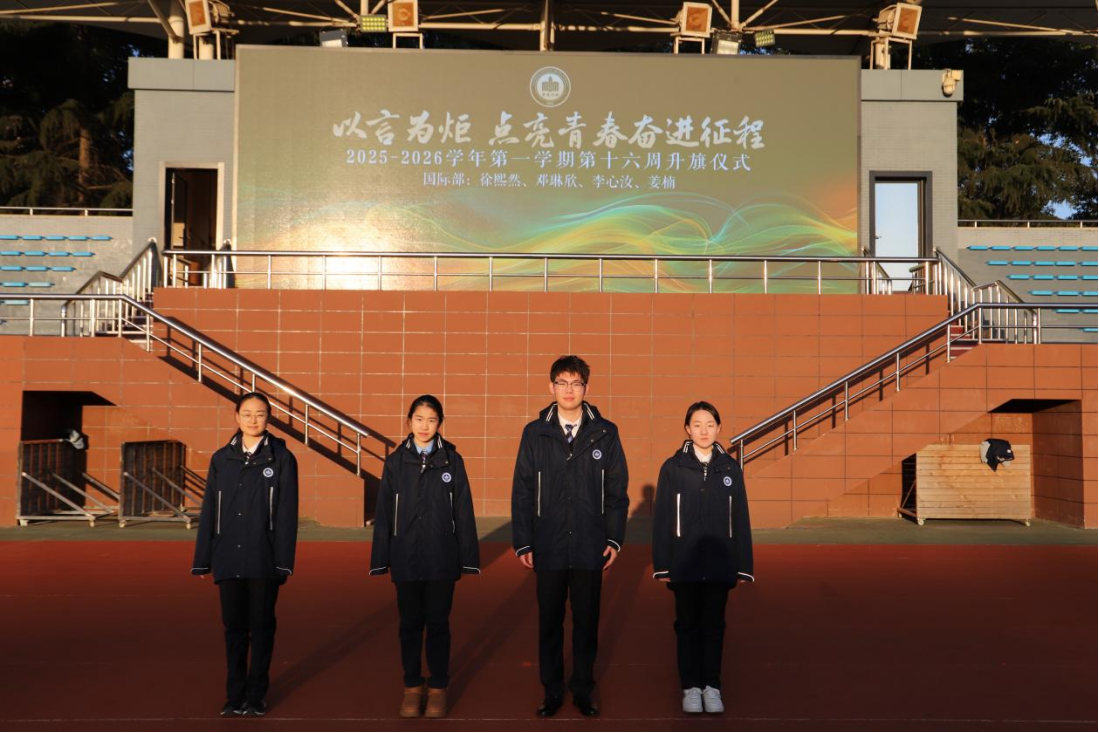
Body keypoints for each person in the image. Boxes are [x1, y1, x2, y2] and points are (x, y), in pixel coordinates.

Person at [511, 355, 629, 718]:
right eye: (562, 383)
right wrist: (524, 540)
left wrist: (613, 538)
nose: (569, 390)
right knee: (549, 620)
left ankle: (582, 689)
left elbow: (617, 490)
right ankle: (551, 690)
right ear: (551, 387)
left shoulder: (606, 432)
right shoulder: (535, 433)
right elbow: (523, 489)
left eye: (576, 383)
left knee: (586, 621)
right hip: (548, 542)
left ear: (586, 388)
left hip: (589, 543)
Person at [370, 395, 480, 719]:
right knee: (409, 624)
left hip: (441, 558)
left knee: (438, 624)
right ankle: (412, 686)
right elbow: (384, 512)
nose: (425, 426)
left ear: (439, 423)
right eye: (419, 419)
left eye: (431, 420)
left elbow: (464, 510)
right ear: (409, 421)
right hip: (405, 556)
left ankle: (438, 687)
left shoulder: (452, 461)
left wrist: (468, 557)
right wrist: (381, 558)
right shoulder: (395, 462)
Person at [191, 391, 299, 717]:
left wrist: (283, 562)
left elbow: (287, 513)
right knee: (234, 629)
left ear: (269, 418)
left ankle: (256, 695)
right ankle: (234, 695)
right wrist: (203, 559)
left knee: (262, 626)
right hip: (228, 557)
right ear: (236, 417)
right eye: (247, 414)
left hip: (264, 558)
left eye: (260, 414)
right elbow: (210, 510)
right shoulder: (221, 459)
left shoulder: (282, 458)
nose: (253, 420)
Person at [652, 401, 754, 715]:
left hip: (720, 564)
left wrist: (743, 566)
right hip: (684, 564)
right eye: (697, 425)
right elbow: (663, 517)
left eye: (710, 424)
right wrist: (663, 565)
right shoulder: (673, 468)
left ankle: (712, 686)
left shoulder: (730, 468)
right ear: (687, 429)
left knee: (713, 626)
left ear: (719, 428)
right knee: (687, 626)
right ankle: (691, 687)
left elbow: (740, 517)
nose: (704, 431)